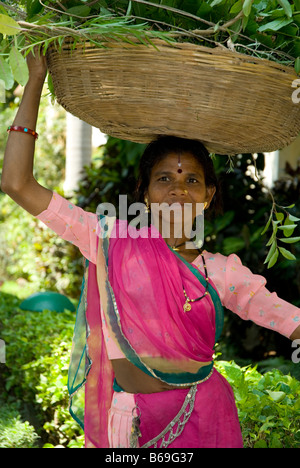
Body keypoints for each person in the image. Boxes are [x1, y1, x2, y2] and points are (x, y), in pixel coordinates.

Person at [1, 50, 300, 449]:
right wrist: (35, 78)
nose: (178, 188)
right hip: (124, 422)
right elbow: (17, 184)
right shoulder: (107, 239)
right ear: (144, 192)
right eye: (164, 178)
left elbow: (288, 318)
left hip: (203, 417)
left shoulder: (221, 273)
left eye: (192, 180)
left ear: (208, 195)